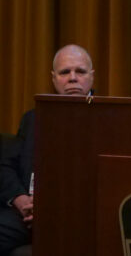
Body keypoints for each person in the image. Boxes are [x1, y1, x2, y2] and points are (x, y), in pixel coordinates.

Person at [0, 45, 94, 255]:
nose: (72, 78)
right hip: (27, 214)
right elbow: (6, 166)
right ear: (54, 79)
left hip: (78, 218)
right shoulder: (32, 119)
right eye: (64, 72)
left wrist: (52, 209)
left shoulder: (109, 121)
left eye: (80, 71)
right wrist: (20, 199)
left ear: (91, 77)